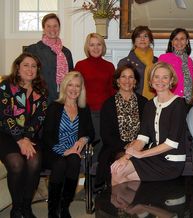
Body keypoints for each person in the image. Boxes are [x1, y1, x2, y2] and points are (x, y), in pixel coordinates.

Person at [111, 62, 187, 185]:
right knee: (117, 170)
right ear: (151, 80)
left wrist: (141, 154)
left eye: (165, 77)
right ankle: (134, 204)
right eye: (156, 77)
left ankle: (128, 204)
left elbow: (171, 143)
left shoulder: (179, 104)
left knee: (120, 174)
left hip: (171, 162)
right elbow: (142, 139)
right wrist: (125, 157)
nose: (160, 80)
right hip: (152, 157)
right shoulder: (149, 105)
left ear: (171, 80)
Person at [0, 53, 47, 218]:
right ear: (18, 68)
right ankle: (16, 207)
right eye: (26, 65)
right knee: (16, 163)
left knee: (34, 161)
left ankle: (26, 207)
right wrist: (19, 139)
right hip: (6, 134)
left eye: (34, 66)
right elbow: (6, 116)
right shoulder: (6, 86)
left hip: (29, 135)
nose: (30, 69)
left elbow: (39, 118)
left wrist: (26, 138)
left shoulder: (41, 91)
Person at [42, 71, 94, 218]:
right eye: (70, 84)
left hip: (74, 151)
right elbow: (47, 135)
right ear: (65, 86)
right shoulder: (55, 107)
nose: (74, 89)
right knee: (60, 164)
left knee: (74, 160)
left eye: (77, 86)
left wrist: (84, 139)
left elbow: (91, 132)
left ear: (81, 89)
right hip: (53, 150)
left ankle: (64, 206)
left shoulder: (84, 109)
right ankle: (53, 209)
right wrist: (63, 150)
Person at [96, 65, 147, 188]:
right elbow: (106, 135)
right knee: (122, 162)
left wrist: (135, 146)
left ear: (135, 82)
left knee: (138, 163)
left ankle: (133, 200)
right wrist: (125, 145)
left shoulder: (144, 103)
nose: (127, 80)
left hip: (140, 147)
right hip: (115, 147)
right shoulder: (108, 104)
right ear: (117, 81)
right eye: (123, 77)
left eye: (131, 77)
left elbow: (147, 131)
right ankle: (120, 201)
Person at [75, 33, 115, 165]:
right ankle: (86, 175)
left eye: (99, 44)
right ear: (87, 47)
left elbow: (112, 91)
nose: (95, 48)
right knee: (85, 145)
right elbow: (75, 90)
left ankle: (96, 179)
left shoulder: (109, 66)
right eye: (92, 44)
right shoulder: (80, 65)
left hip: (104, 113)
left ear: (103, 47)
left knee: (101, 146)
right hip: (85, 112)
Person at [26, 13, 73, 104]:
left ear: (59, 28)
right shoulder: (33, 50)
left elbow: (71, 78)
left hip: (62, 99)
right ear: (43, 28)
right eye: (48, 26)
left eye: (55, 26)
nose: (52, 29)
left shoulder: (66, 52)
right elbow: (25, 76)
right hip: (40, 100)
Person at [118, 26, 158, 99]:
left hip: (155, 102)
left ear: (150, 40)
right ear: (134, 41)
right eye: (138, 36)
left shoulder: (158, 62)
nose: (142, 39)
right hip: (132, 102)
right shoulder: (124, 63)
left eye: (145, 36)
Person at [158, 28, 193, 101]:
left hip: (189, 101)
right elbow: (159, 82)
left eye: (182, 39)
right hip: (171, 100)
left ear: (187, 41)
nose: (179, 42)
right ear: (172, 42)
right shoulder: (164, 58)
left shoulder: (189, 61)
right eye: (176, 39)